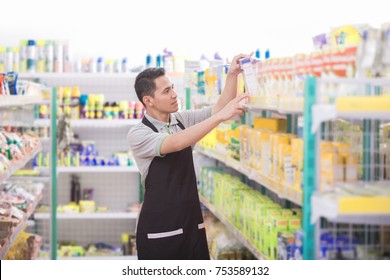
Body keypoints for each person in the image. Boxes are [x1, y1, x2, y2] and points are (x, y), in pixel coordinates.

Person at [128, 53, 251, 260]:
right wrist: (221, 117)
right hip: (159, 229)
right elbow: (175, 143)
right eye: (166, 91)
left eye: (173, 88)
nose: (174, 94)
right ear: (148, 100)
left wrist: (232, 75)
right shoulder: (139, 134)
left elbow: (218, 109)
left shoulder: (181, 119)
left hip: (191, 222)